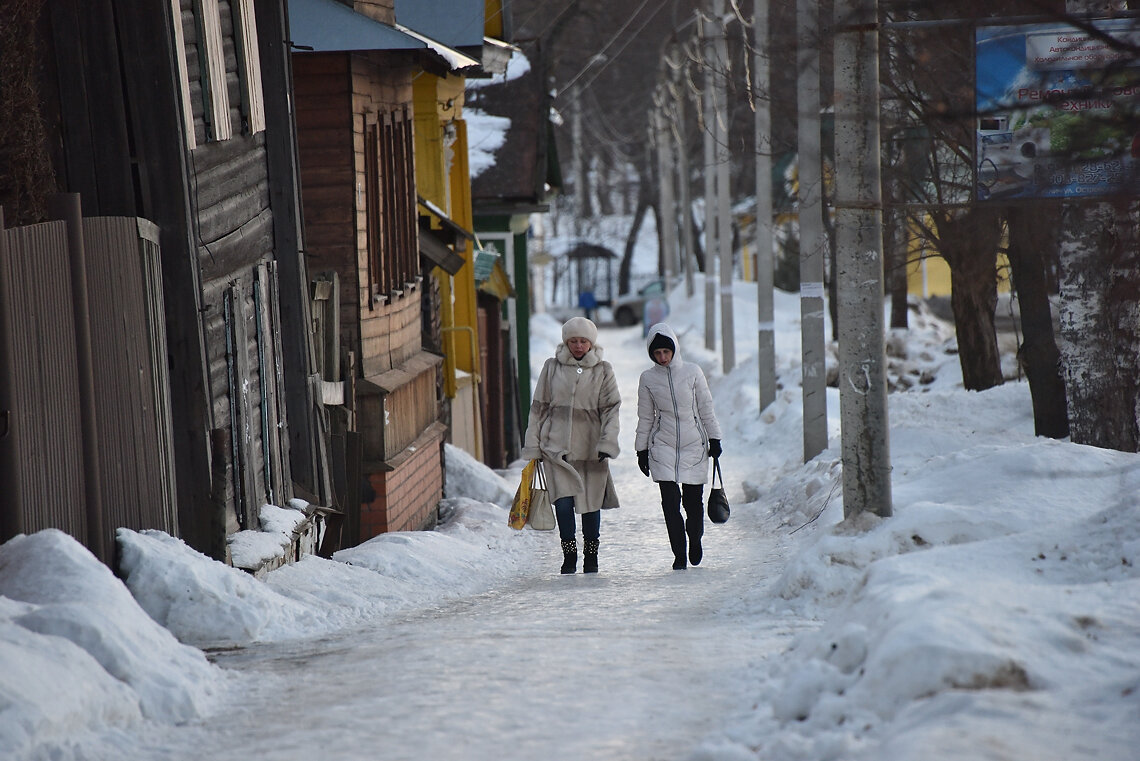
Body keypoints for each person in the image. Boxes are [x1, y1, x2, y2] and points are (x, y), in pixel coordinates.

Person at [521, 316, 621, 574]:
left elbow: (612, 410)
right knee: (563, 504)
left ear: (591, 343)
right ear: (566, 342)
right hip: (556, 449)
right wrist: (534, 443)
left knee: (590, 505)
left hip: (591, 450)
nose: (578, 346)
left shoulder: (603, 370)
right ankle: (569, 555)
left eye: (583, 341)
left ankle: (591, 555)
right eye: (573, 341)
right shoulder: (552, 367)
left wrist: (607, 442)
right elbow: (538, 408)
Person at [634, 323, 722, 570]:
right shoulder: (648, 379)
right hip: (662, 446)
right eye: (657, 353)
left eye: (666, 352)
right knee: (670, 503)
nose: (662, 357)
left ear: (674, 350)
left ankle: (695, 538)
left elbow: (705, 407)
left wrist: (714, 438)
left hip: (694, 445)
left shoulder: (693, 372)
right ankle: (679, 552)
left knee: (693, 504)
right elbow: (646, 417)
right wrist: (641, 450)